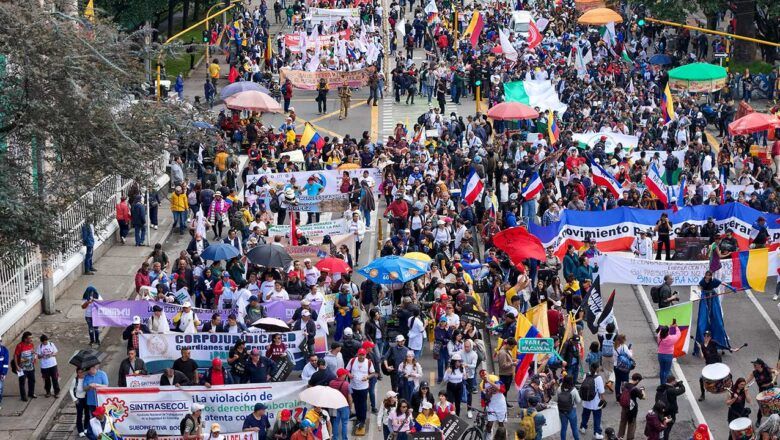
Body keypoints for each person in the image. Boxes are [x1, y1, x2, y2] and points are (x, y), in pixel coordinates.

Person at [347, 348, 376, 433]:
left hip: (363, 387)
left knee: (363, 404)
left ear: (365, 355)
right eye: (360, 355)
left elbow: (373, 373)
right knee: (356, 403)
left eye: (363, 355)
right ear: (358, 354)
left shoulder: (368, 362)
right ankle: (358, 418)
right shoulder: (352, 360)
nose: (361, 356)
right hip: (353, 386)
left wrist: (367, 377)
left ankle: (362, 421)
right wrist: (349, 375)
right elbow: (347, 370)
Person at [579, 363, 605, 439]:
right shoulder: (598, 378)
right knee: (597, 417)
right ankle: (597, 432)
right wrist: (603, 400)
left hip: (586, 401)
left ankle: (583, 428)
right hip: (596, 402)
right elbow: (601, 391)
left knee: (585, 415)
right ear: (597, 368)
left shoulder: (586, 375)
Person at [655, 374, 685, 439]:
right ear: (673, 381)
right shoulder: (671, 390)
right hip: (670, 412)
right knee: (667, 427)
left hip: (660, 410)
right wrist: (680, 384)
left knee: (662, 424)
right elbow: (682, 390)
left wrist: (675, 384)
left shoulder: (661, 387)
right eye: (675, 381)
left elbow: (670, 385)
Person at [748, 358, 776, 425]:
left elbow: (774, 371)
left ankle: (776, 418)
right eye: (753, 364)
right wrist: (744, 385)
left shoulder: (766, 369)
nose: (754, 365)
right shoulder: (754, 373)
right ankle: (758, 419)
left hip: (770, 389)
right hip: (762, 391)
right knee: (762, 406)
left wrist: (775, 373)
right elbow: (747, 380)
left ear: (760, 365)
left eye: (755, 364)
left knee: (774, 403)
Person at [329, 368, 352, 440]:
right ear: (343, 375)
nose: (346, 375)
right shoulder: (346, 384)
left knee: (335, 423)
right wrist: (350, 407)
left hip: (335, 406)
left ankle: (335, 438)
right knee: (344, 423)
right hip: (344, 406)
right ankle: (344, 438)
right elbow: (350, 398)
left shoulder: (331, 383)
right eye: (345, 374)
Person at [558, 375, 581, 440]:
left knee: (563, 428)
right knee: (574, 428)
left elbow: (556, 399)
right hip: (571, 410)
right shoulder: (574, 390)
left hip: (562, 411)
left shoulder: (559, 388)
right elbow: (578, 401)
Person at [15, 331, 36, 401]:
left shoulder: (31, 345)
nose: (31, 339)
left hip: (31, 366)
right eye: (30, 338)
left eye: (31, 338)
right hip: (22, 368)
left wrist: (34, 358)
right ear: (25, 339)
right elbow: (15, 356)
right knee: (22, 382)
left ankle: (31, 393)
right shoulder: (19, 345)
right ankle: (23, 396)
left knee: (32, 380)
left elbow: (32, 352)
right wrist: (17, 366)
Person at [0, 334, 7, 410]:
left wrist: (3, 373)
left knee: (0, 389)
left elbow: (5, 363)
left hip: (1, 374)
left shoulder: (4, 350)